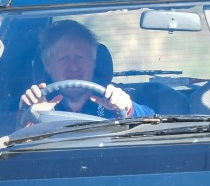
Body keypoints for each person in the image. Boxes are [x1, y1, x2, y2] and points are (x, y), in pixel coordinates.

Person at [19, 20, 154, 120]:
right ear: (47, 66)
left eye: (80, 57)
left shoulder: (113, 98)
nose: (73, 66)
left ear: (94, 62)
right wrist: (29, 114)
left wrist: (127, 107)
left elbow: (154, 122)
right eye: (64, 59)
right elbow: (8, 143)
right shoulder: (38, 103)